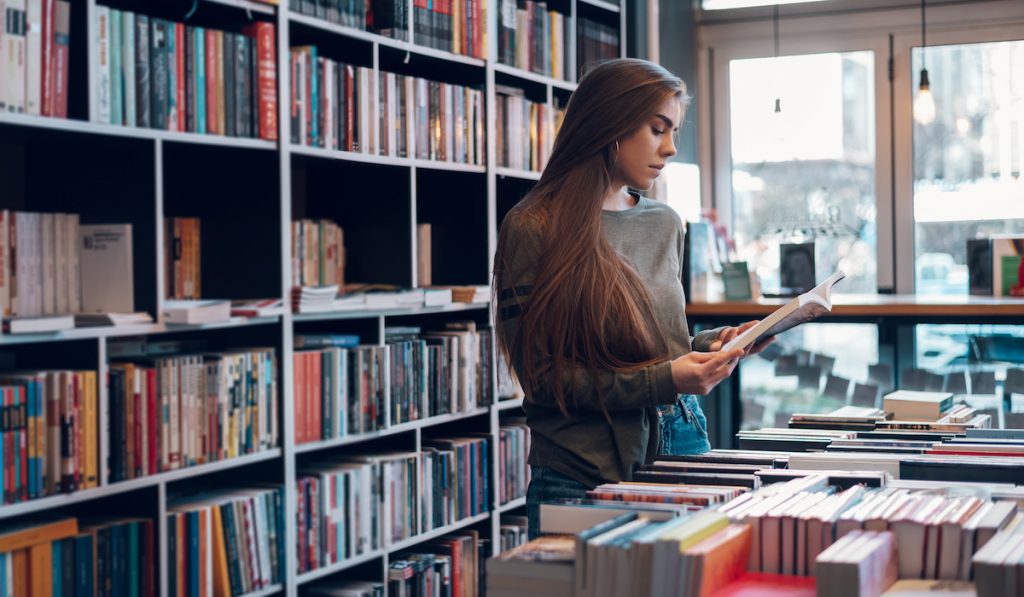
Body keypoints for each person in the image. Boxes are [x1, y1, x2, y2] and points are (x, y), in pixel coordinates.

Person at [492, 58, 774, 539]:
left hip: (684, 442)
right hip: (583, 471)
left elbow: (664, 345)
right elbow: (545, 382)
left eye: (675, 131)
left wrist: (714, 345)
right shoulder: (534, 227)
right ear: (609, 123)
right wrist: (666, 378)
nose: (670, 147)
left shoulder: (665, 223)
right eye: (657, 128)